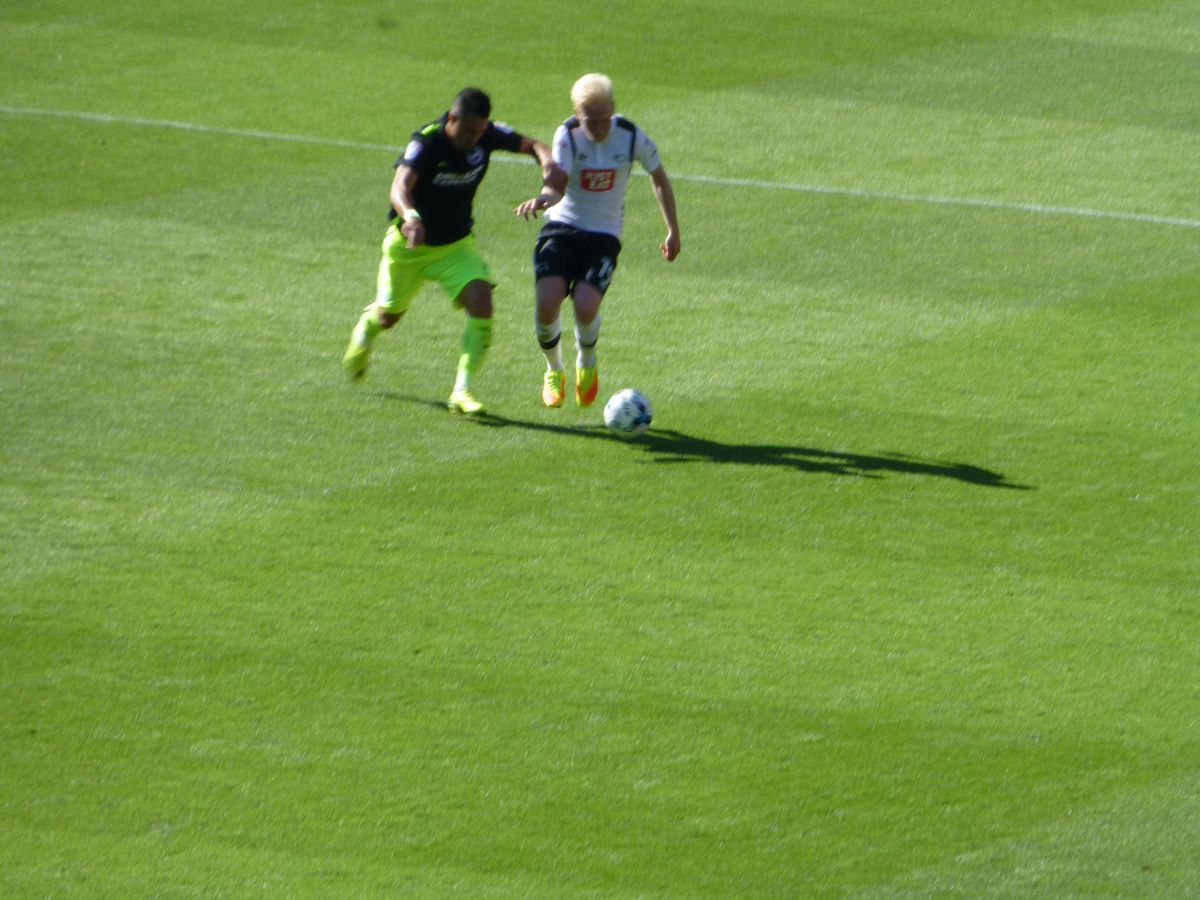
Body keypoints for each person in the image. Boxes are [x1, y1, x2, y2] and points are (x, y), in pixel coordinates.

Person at [343, 87, 565, 415]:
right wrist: (411, 216)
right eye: (467, 132)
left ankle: (461, 392)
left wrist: (548, 163)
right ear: (451, 119)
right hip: (409, 246)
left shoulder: (486, 133)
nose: (474, 139)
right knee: (389, 317)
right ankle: (366, 330)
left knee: (482, 303)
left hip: (456, 246)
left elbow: (534, 145)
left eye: (479, 132)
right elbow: (399, 186)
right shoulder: (427, 142)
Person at [514, 73, 680, 409]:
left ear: (614, 109)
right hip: (563, 225)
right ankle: (554, 370)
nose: (601, 126)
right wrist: (544, 199)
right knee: (548, 302)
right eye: (592, 120)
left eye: (606, 117)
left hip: (603, 235)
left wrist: (673, 229)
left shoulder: (630, 136)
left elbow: (658, 177)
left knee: (586, 306)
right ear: (578, 114)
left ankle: (586, 363)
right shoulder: (569, 136)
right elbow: (556, 182)